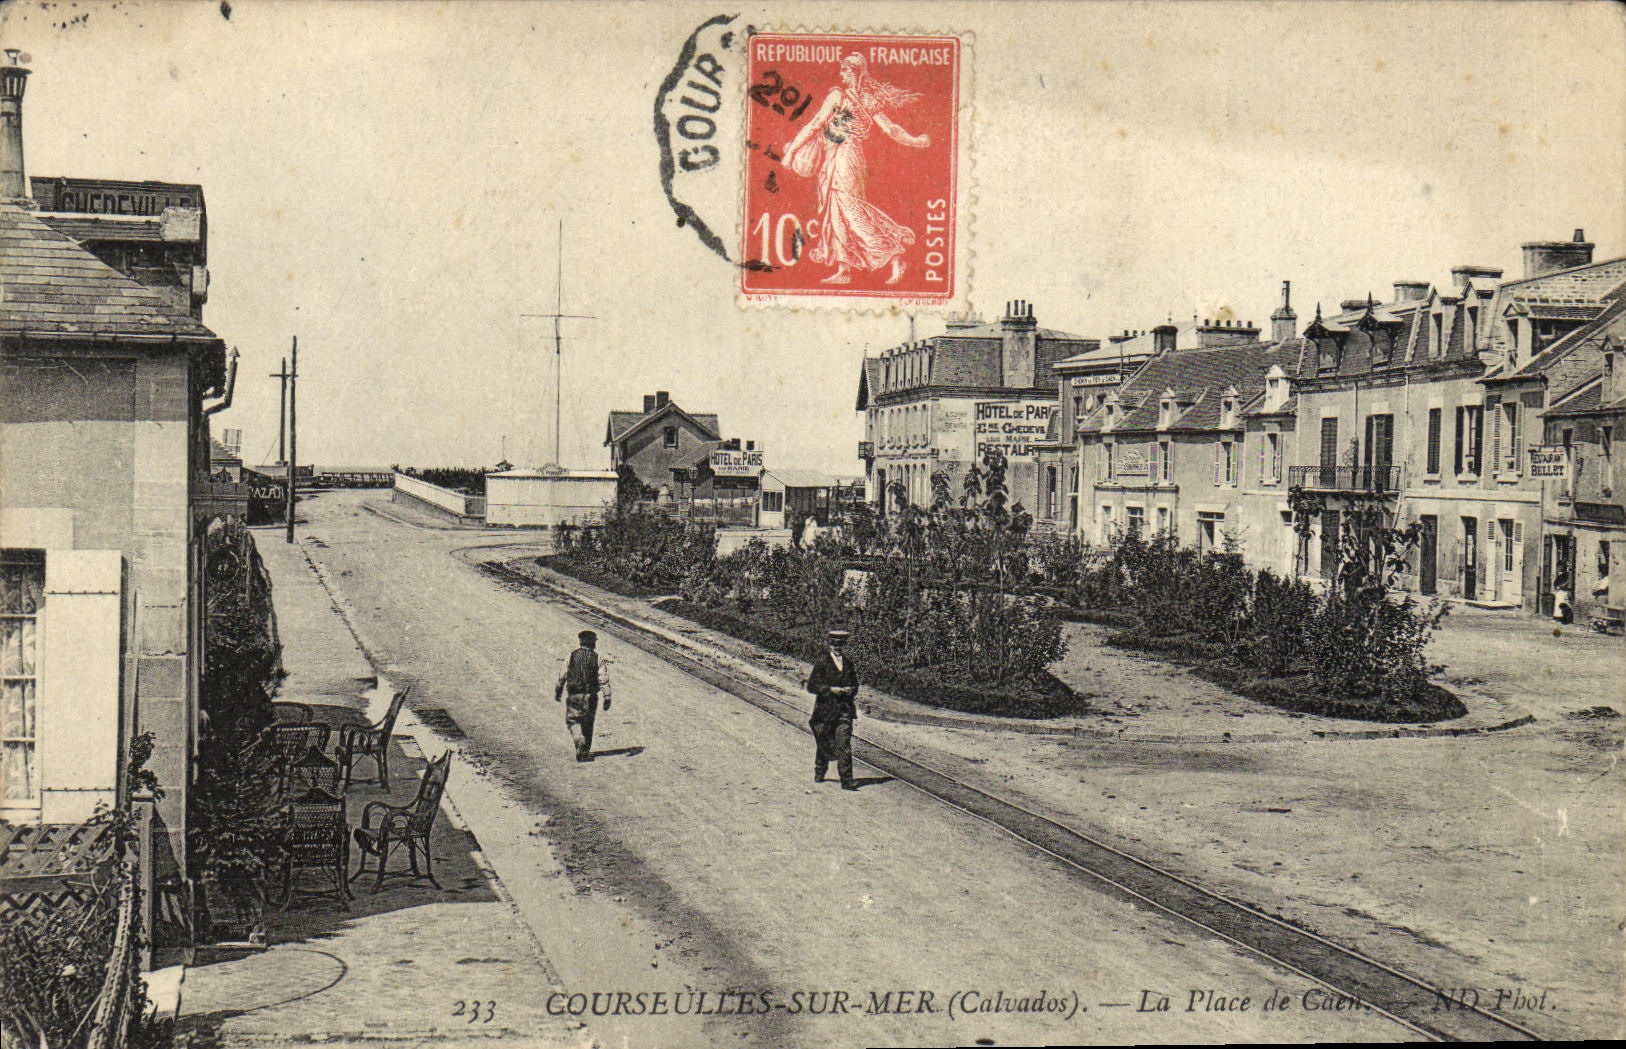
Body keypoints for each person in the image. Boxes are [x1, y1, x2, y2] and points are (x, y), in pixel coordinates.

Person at [782, 53, 931, 286]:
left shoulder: (839, 96)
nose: (841, 75)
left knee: (851, 210)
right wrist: (915, 141)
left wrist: (791, 152)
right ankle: (844, 269)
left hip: (845, 157)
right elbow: (891, 129)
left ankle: (893, 254)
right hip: (840, 157)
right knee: (836, 211)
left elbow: (815, 125)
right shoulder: (866, 99)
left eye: (844, 70)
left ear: (853, 72)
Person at [806, 629, 860, 790]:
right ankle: (820, 770)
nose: (838, 647)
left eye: (840, 644)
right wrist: (830, 690)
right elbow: (812, 686)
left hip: (844, 710)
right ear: (830, 645)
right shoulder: (822, 662)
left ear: (844, 645)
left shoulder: (848, 664)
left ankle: (847, 780)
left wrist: (850, 690)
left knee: (843, 744)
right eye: (835, 644)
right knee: (825, 743)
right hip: (825, 711)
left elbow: (855, 685)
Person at [555, 629, 611, 762]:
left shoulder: (571, 656)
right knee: (588, 724)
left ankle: (578, 740)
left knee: (573, 721)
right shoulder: (598, 658)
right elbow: (603, 679)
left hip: (574, 694)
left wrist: (559, 690)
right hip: (591, 696)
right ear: (592, 643)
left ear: (580, 641)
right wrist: (607, 696)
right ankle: (584, 752)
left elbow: (563, 675)